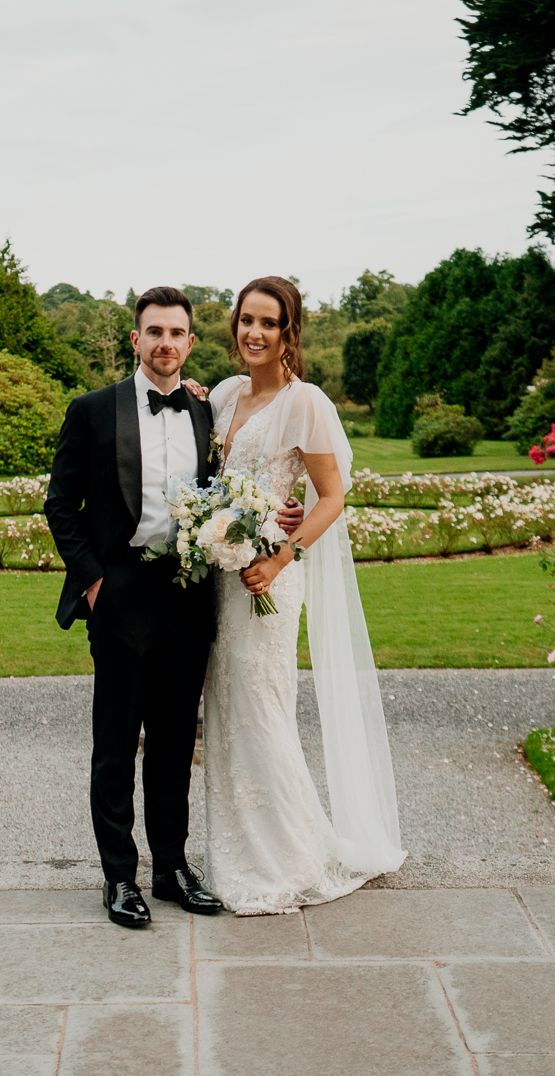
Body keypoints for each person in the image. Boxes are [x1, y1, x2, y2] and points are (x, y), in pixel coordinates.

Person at [44, 286, 303, 929]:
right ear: (136, 340)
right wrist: (93, 579)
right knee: (115, 742)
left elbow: (240, 486)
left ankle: (170, 868)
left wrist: (279, 518)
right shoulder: (93, 411)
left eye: (176, 333)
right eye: (153, 332)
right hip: (121, 592)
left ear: (190, 342)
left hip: (190, 595)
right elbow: (60, 505)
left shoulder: (204, 411)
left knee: (171, 742)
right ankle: (118, 877)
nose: (165, 343)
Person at [201, 275, 405, 914]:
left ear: (289, 332)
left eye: (269, 323)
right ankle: (235, 848)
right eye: (245, 321)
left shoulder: (306, 402)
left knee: (262, 707)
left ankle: (287, 858)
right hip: (218, 576)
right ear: (234, 326)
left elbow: (333, 495)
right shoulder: (226, 395)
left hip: (268, 578)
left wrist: (284, 553)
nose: (254, 333)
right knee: (225, 711)